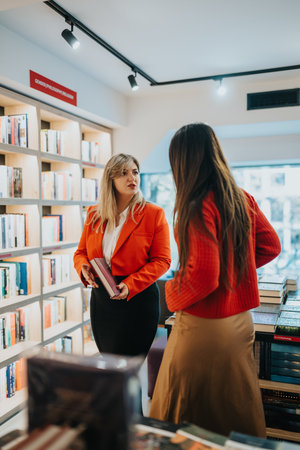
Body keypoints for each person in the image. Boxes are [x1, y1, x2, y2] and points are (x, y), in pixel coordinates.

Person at [149, 123, 281, 438]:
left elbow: (203, 277)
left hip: (204, 327)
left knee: (181, 409)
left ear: (182, 162)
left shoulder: (196, 205)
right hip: (240, 324)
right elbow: (271, 246)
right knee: (235, 408)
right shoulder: (241, 197)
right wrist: (236, 275)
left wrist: (170, 295)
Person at [74, 153, 171, 358]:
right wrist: (83, 267)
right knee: (110, 365)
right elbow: (81, 252)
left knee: (131, 369)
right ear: (111, 179)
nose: (132, 178)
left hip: (137, 301)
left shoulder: (153, 214)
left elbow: (162, 261)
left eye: (135, 172)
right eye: (124, 173)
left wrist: (131, 284)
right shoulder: (94, 214)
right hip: (102, 302)